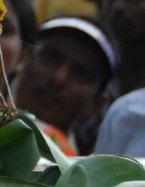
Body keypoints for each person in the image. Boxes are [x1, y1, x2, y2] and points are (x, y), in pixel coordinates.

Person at [11, 16, 115, 156]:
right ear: (24, 58)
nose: (59, 79)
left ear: (96, 104)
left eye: (81, 75)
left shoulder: (79, 176)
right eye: (51, 58)